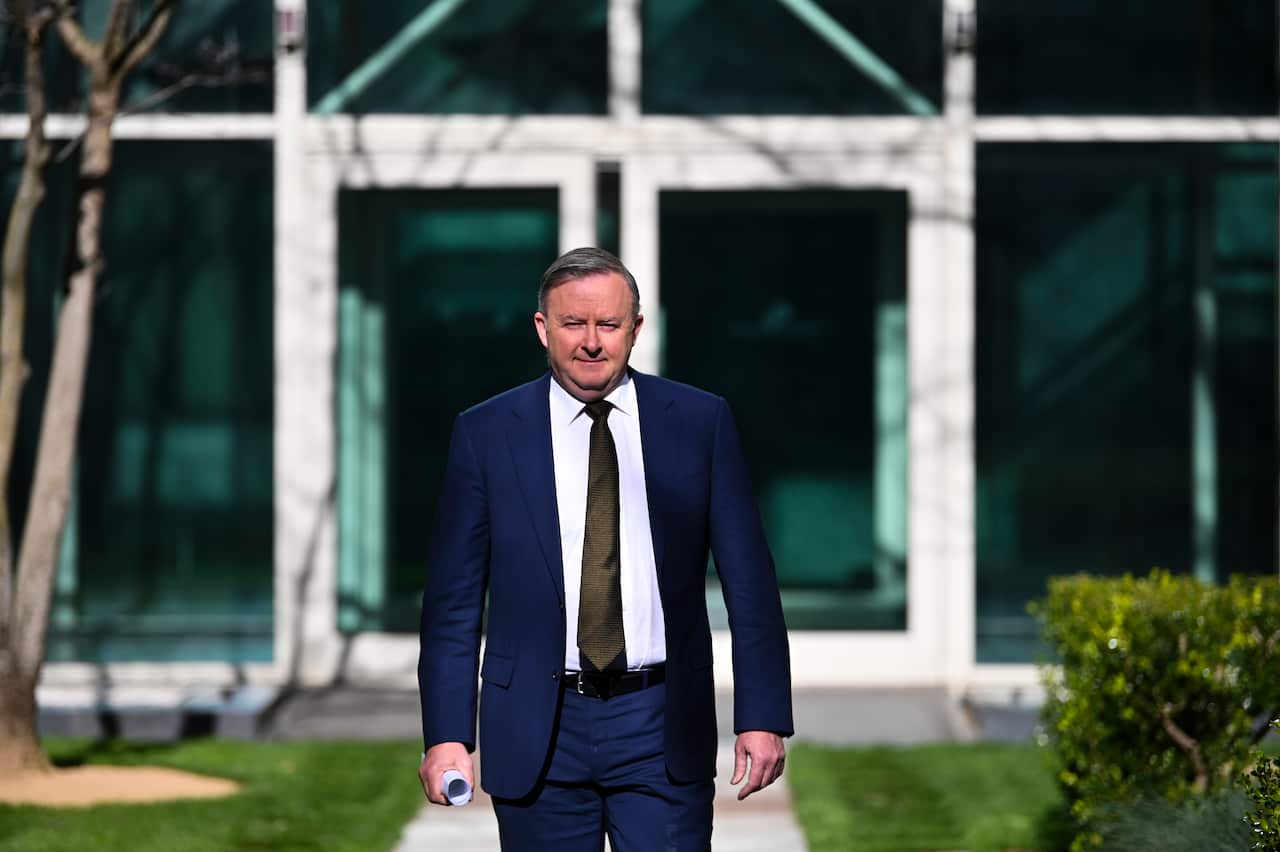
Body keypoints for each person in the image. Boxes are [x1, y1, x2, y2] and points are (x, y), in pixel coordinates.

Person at [417, 247, 793, 851]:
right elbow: (452, 605)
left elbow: (750, 584)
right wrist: (446, 734)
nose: (591, 342)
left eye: (608, 324)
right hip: (536, 727)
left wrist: (763, 715)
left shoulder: (698, 422)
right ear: (543, 328)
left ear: (635, 329)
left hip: (661, 724)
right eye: (573, 323)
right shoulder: (487, 432)